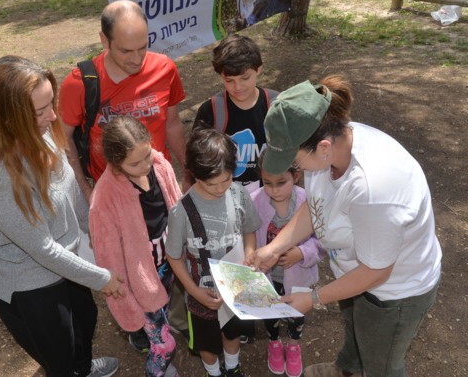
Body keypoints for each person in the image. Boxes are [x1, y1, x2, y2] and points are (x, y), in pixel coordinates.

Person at [255, 75, 442, 377]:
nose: (297, 170)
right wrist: (275, 248)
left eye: (296, 163)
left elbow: (376, 271)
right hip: (355, 274)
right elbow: (316, 204)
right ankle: (347, 369)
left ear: (323, 147)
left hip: (393, 293)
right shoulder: (329, 148)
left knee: (382, 364)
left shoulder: (373, 189)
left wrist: (313, 298)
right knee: (356, 329)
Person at [0, 55, 125, 377]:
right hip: (30, 283)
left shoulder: (44, 134)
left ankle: (84, 368)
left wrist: (95, 234)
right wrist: (102, 278)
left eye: (51, 103)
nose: (53, 115)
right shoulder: (2, 178)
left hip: (67, 261)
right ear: (8, 116)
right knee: (60, 355)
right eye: (40, 110)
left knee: (85, 321)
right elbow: (42, 249)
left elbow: (70, 191)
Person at [59, 0, 187, 199]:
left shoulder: (165, 69)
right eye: (126, 51)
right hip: (112, 194)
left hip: (160, 186)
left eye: (143, 47)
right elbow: (63, 138)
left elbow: (172, 124)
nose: (137, 59)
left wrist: (188, 170)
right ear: (104, 40)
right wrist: (85, 189)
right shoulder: (79, 84)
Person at [89, 116, 182, 377]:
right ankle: (157, 371)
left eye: (146, 155)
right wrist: (124, 298)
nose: (145, 165)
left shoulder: (159, 164)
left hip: (168, 265)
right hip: (140, 281)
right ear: (115, 163)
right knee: (165, 344)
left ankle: (153, 339)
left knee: (163, 315)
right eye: (135, 163)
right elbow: (108, 258)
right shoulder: (104, 199)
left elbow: (176, 203)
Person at [166, 128, 262, 377]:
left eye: (226, 179)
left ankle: (232, 367)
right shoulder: (181, 212)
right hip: (201, 294)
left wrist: (250, 253)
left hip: (235, 288)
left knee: (233, 332)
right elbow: (173, 256)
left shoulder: (239, 193)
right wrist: (193, 290)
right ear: (194, 174)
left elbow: (250, 229)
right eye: (211, 183)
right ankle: (213, 372)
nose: (220, 188)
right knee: (206, 343)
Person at [251, 151, 324, 377]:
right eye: (267, 183)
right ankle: (274, 342)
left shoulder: (308, 201)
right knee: (270, 310)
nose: (273, 190)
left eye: (281, 182)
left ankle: (293, 345)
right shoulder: (255, 200)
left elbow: (322, 240)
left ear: (296, 176)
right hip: (268, 277)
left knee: (296, 312)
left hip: (298, 275)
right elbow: (249, 236)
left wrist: (301, 253)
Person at [193, 34, 279, 194]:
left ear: (259, 69)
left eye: (244, 78)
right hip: (225, 196)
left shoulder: (277, 105)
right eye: (229, 80)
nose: (237, 87)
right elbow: (198, 162)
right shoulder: (211, 110)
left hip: (269, 196)